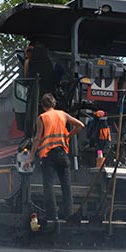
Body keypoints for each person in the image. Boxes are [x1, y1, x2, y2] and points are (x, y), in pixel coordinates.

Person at [32, 93, 85, 221]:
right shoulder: (62, 114)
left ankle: (52, 215)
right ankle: (68, 214)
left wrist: (30, 156)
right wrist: (68, 136)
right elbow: (81, 125)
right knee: (66, 185)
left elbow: (37, 138)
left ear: (43, 105)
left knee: (48, 184)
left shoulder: (42, 117)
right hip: (62, 154)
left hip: (48, 156)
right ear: (54, 104)